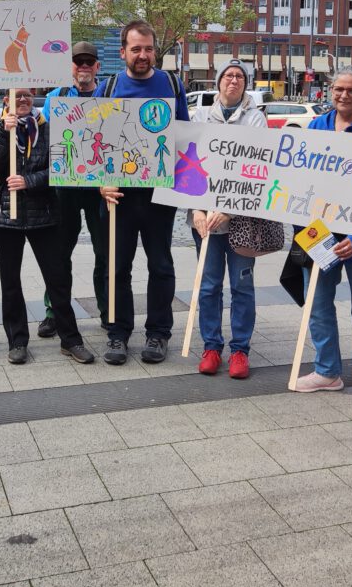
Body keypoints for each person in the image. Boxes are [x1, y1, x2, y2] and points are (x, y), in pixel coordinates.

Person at [290, 67, 352, 424]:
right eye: (338, 89)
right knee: (317, 305)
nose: (344, 95)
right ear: (329, 91)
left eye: (351, 90)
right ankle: (328, 371)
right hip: (320, 234)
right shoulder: (317, 127)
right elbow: (301, 182)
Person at [95, 20, 190, 365]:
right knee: (116, 267)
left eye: (148, 49)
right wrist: (100, 182)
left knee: (160, 264)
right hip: (117, 194)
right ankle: (118, 334)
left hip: (158, 194)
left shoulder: (172, 84)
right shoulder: (107, 89)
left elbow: (184, 138)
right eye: (136, 49)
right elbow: (95, 142)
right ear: (123, 53)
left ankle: (158, 333)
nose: (143, 55)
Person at [0, 88, 95, 365]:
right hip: (5, 216)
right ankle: (17, 341)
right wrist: (6, 134)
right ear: (6, 99)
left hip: (44, 214)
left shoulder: (47, 129)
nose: (23, 100)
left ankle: (71, 339)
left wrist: (29, 181)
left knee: (57, 278)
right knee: (10, 282)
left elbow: (61, 166)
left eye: (28, 96)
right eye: (17, 96)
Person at [190, 59, 266, 379]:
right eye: (227, 75)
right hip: (205, 219)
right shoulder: (199, 116)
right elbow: (188, 166)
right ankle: (211, 345)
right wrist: (194, 208)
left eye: (239, 77)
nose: (233, 81)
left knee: (242, 286)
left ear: (245, 84)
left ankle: (239, 350)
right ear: (218, 81)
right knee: (208, 286)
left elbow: (258, 172)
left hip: (242, 222)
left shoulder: (255, 121)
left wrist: (232, 207)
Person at [37, 42, 107, 338]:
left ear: (97, 67)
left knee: (106, 251)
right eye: (78, 62)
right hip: (65, 186)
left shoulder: (108, 94)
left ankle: (109, 310)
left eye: (88, 62)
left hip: (100, 187)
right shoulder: (57, 97)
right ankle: (55, 310)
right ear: (71, 66)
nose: (83, 67)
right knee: (59, 252)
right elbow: (40, 135)